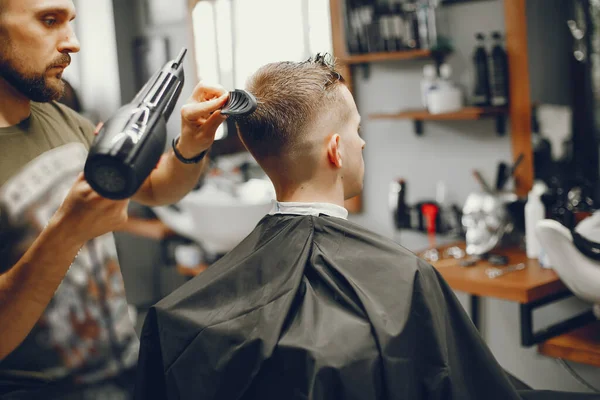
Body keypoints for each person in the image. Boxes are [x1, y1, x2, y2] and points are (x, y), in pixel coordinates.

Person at [134, 54, 600, 400]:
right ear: (336, 150)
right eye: (357, 129)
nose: (363, 141)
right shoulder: (407, 276)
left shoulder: (180, 313)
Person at [0, 0, 229, 398]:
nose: (72, 42)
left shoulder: (64, 120)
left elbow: (157, 189)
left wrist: (192, 142)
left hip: (125, 378)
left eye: (71, 22)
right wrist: (66, 234)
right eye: (49, 20)